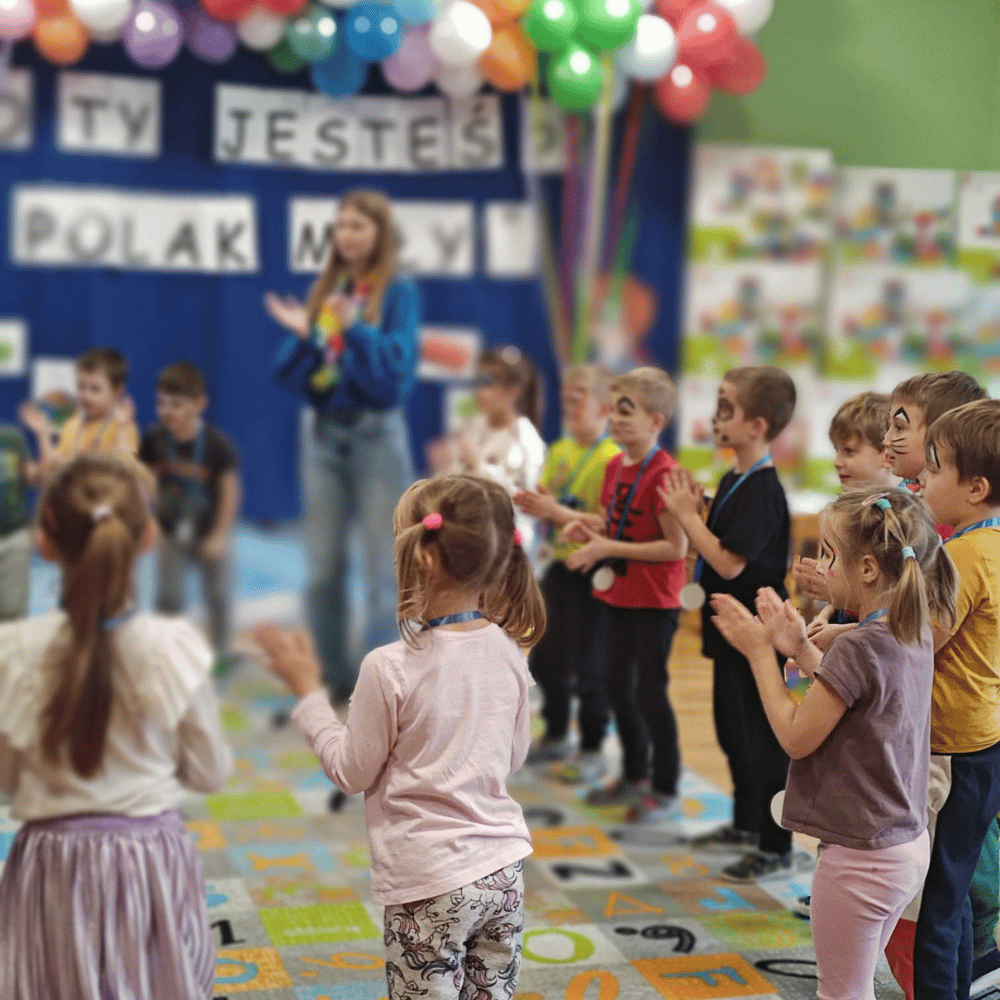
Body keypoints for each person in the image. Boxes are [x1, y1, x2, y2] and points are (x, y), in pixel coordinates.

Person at [254, 473, 544, 1000]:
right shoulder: (509, 650)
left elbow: (350, 772)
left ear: (423, 558)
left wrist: (308, 694)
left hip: (429, 882)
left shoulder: (388, 667)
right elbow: (513, 756)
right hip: (504, 873)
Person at [710, 484, 958, 1000]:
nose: (822, 567)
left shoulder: (858, 647)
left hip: (861, 860)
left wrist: (758, 654)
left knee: (842, 992)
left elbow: (795, 736)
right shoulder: (909, 630)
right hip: (905, 846)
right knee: (856, 983)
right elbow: (851, 697)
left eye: (830, 556)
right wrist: (800, 647)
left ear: (867, 568)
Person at [0, 453, 233, 1000]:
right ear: (148, 536)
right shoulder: (174, 646)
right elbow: (210, 773)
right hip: (148, 862)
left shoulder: (12, 651)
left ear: (44, 540)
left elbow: (6, 779)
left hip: (51, 867)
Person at [266, 189, 420, 702]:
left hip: (376, 435)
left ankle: (374, 688)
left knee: (384, 571)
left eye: (358, 225)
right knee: (323, 569)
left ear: (380, 233)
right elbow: (291, 375)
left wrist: (355, 331)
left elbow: (394, 377)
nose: (346, 235)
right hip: (324, 435)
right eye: (340, 226)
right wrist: (305, 337)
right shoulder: (329, 288)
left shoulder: (397, 293)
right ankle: (334, 677)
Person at [661, 366, 796, 880]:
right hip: (727, 629)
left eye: (725, 408)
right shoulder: (733, 477)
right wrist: (696, 509)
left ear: (757, 425)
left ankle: (775, 845)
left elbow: (728, 562)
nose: (715, 418)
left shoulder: (763, 488)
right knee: (731, 732)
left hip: (757, 632)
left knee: (762, 741)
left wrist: (685, 515)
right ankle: (744, 822)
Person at [559, 367, 688, 824]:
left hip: (655, 602)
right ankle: (635, 775)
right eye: (612, 408)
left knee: (650, 693)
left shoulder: (667, 474)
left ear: (656, 421)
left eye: (626, 410)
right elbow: (613, 518)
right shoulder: (615, 466)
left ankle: (666, 789)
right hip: (619, 595)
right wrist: (587, 527)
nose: (614, 418)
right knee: (616, 687)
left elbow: (676, 548)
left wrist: (606, 547)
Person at [910, 399, 1000, 1000]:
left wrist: (841, 636)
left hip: (950, 752)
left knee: (935, 908)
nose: (921, 477)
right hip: (984, 742)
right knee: (956, 890)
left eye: (934, 467)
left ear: (975, 487)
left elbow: (917, 644)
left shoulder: (962, 556)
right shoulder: (990, 547)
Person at [513, 364, 620, 781]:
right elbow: (550, 503)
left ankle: (591, 747)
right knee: (546, 657)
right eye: (566, 398)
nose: (569, 406)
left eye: (579, 398)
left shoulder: (612, 459)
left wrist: (555, 511)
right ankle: (556, 734)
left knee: (589, 666)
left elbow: (609, 523)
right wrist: (537, 506)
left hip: (593, 571)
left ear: (604, 408)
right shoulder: (558, 450)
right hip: (558, 565)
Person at [139, 362, 242, 668]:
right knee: (167, 596)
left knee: (219, 595)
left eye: (176, 404)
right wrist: (150, 518)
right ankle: (167, 652)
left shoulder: (217, 445)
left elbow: (230, 491)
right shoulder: (154, 439)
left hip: (209, 531)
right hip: (171, 530)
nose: (167, 411)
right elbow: (143, 479)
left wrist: (220, 536)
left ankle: (221, 652)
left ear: (200, 404)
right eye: (161, 403)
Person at [793, 391, 895, 653]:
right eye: (837, 450)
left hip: (874, 642)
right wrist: (824, 615)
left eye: (849, 451)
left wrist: (842, 631)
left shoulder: (899, 518)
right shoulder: (848, 509)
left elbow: (896, 606)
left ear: (886, 453)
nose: (837, 462)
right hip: (844, 630)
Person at [430, 346, 546, 557]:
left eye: (488, 383)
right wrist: (443, 470)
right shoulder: (473, 427)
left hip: (504, 547)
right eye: (478, 383)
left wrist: (479, 466)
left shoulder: (527, 440)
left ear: (513, 391)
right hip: (466, 537)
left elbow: (523, 502)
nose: (480, 392)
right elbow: (454, 483)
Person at [20, 348, 139, 474]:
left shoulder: (122, 427)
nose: (86, 395)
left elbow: (127, 468)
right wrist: (42, 432)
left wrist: (122, 428)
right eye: (81, 386)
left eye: (95, 389)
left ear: (117, 390)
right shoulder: (72, 425)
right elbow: (52, 469)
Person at [0, 419, 45, 620]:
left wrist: (42, 435)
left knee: (14, 614)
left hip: (15, 535)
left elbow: (36, 478)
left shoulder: (11, 438)